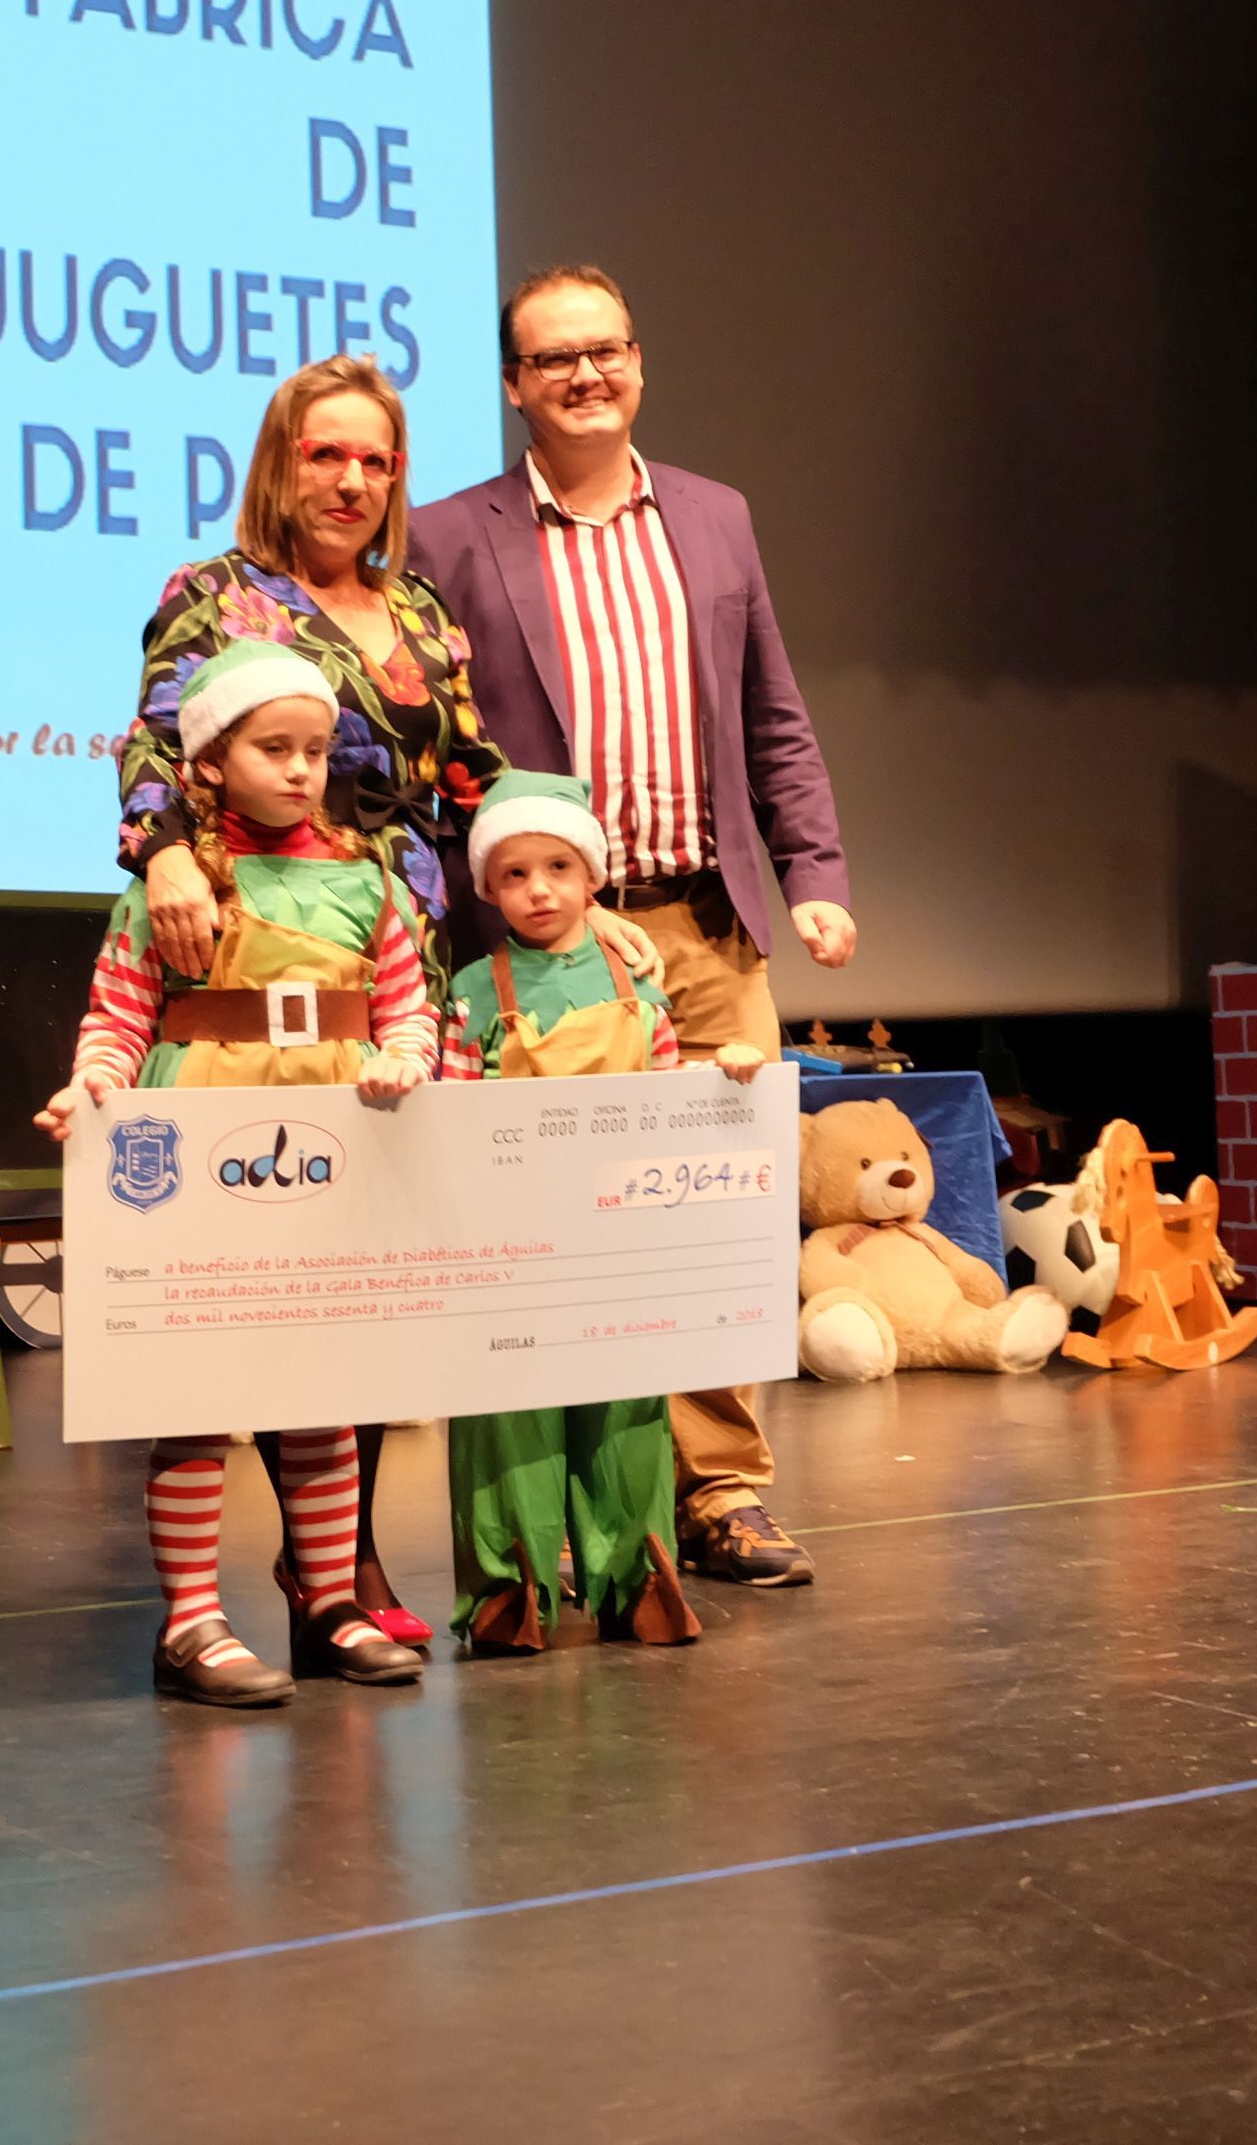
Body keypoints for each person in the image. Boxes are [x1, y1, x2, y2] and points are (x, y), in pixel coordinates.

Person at [115, 353, 639, 1647]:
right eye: (327, 454)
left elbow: (473, 775)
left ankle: (333, 1569)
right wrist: (163, 853)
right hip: (255, 945)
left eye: (377, 460)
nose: (352, 480)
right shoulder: (214, 593)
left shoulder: (418, 609)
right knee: (255, 1282)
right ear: (280, 461)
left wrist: (571, 878)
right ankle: (302, 1576)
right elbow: (157, 740)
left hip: (396, 951)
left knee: (358, 1281)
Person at [412, 266, 856, 1591]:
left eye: (603, 350)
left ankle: (721, 1490)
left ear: (640, 363)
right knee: (547, 1228)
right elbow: (434, 752)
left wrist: (814, 870)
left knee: (717, 1218)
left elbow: (774, 716)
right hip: (538, 951)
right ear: (515, 385)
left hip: (707, 929)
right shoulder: (449, 536)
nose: (584, 375)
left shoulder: (716, 517)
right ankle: (561, 1507)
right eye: (554, 359)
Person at [43, 641, 437, 1707]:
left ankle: (329, 1603)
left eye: (315, 749)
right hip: (207, 1149)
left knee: (323, 1393)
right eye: (275, 749)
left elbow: (407, 1004)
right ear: (211, 763)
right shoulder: (174, 890)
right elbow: (120, 1013)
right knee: (200, 1393)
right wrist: (92, 1086)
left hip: (330, 1152)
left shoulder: (365, 882)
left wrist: (406, 1057)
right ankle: (190, 1622)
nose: (303, 769)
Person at [437, 772, 767, 1651]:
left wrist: (722, 1077)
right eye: (514, 874)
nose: (538, 890)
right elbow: (451, 1117)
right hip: (513, 1241)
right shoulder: (473, 991)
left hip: (619, 1243)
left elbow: (664, 1096)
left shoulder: (638, 984)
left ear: (592, 876)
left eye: (557, 868)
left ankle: (638, 1579)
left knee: (626, 1410)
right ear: (488, 888)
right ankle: (511, 1592)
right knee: (510, 1414)